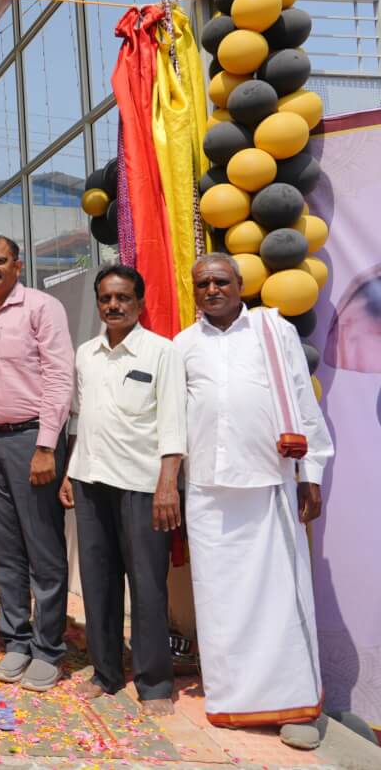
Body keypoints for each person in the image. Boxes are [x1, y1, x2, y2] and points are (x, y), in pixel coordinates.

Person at [175, 253, 332, 750]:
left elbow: (301, 401)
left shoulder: (273, 331)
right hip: (207, 490)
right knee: (219, 599)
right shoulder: (183, 344)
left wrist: (312, 471)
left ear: (240, 285)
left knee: (281, 597)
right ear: (194, 290)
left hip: (270, 481)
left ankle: (294, 704)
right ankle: (233, 701)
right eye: (203, 284)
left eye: (221, 281)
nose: (212, 290)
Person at [58, 264, 185, 715]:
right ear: (98, 303)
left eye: (123, 298)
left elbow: (173, 423)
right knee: (97, 583)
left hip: (142, 485)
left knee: (148, 585)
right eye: (106, 299)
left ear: (139, 302)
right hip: (91, 482)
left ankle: (153, 684)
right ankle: (106, 673)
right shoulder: (84, 353)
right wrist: (70, 474)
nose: (113, 305)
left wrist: (167, 484)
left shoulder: (161, 352)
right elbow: (79, 419)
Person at [0, 235, 74, 691]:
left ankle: (49, 648)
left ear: (17, 264)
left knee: (43, 549)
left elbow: (59, 375)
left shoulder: (42, 308)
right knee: (5, 552)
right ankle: (16, 641)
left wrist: (47, 445)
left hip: (33, 440)